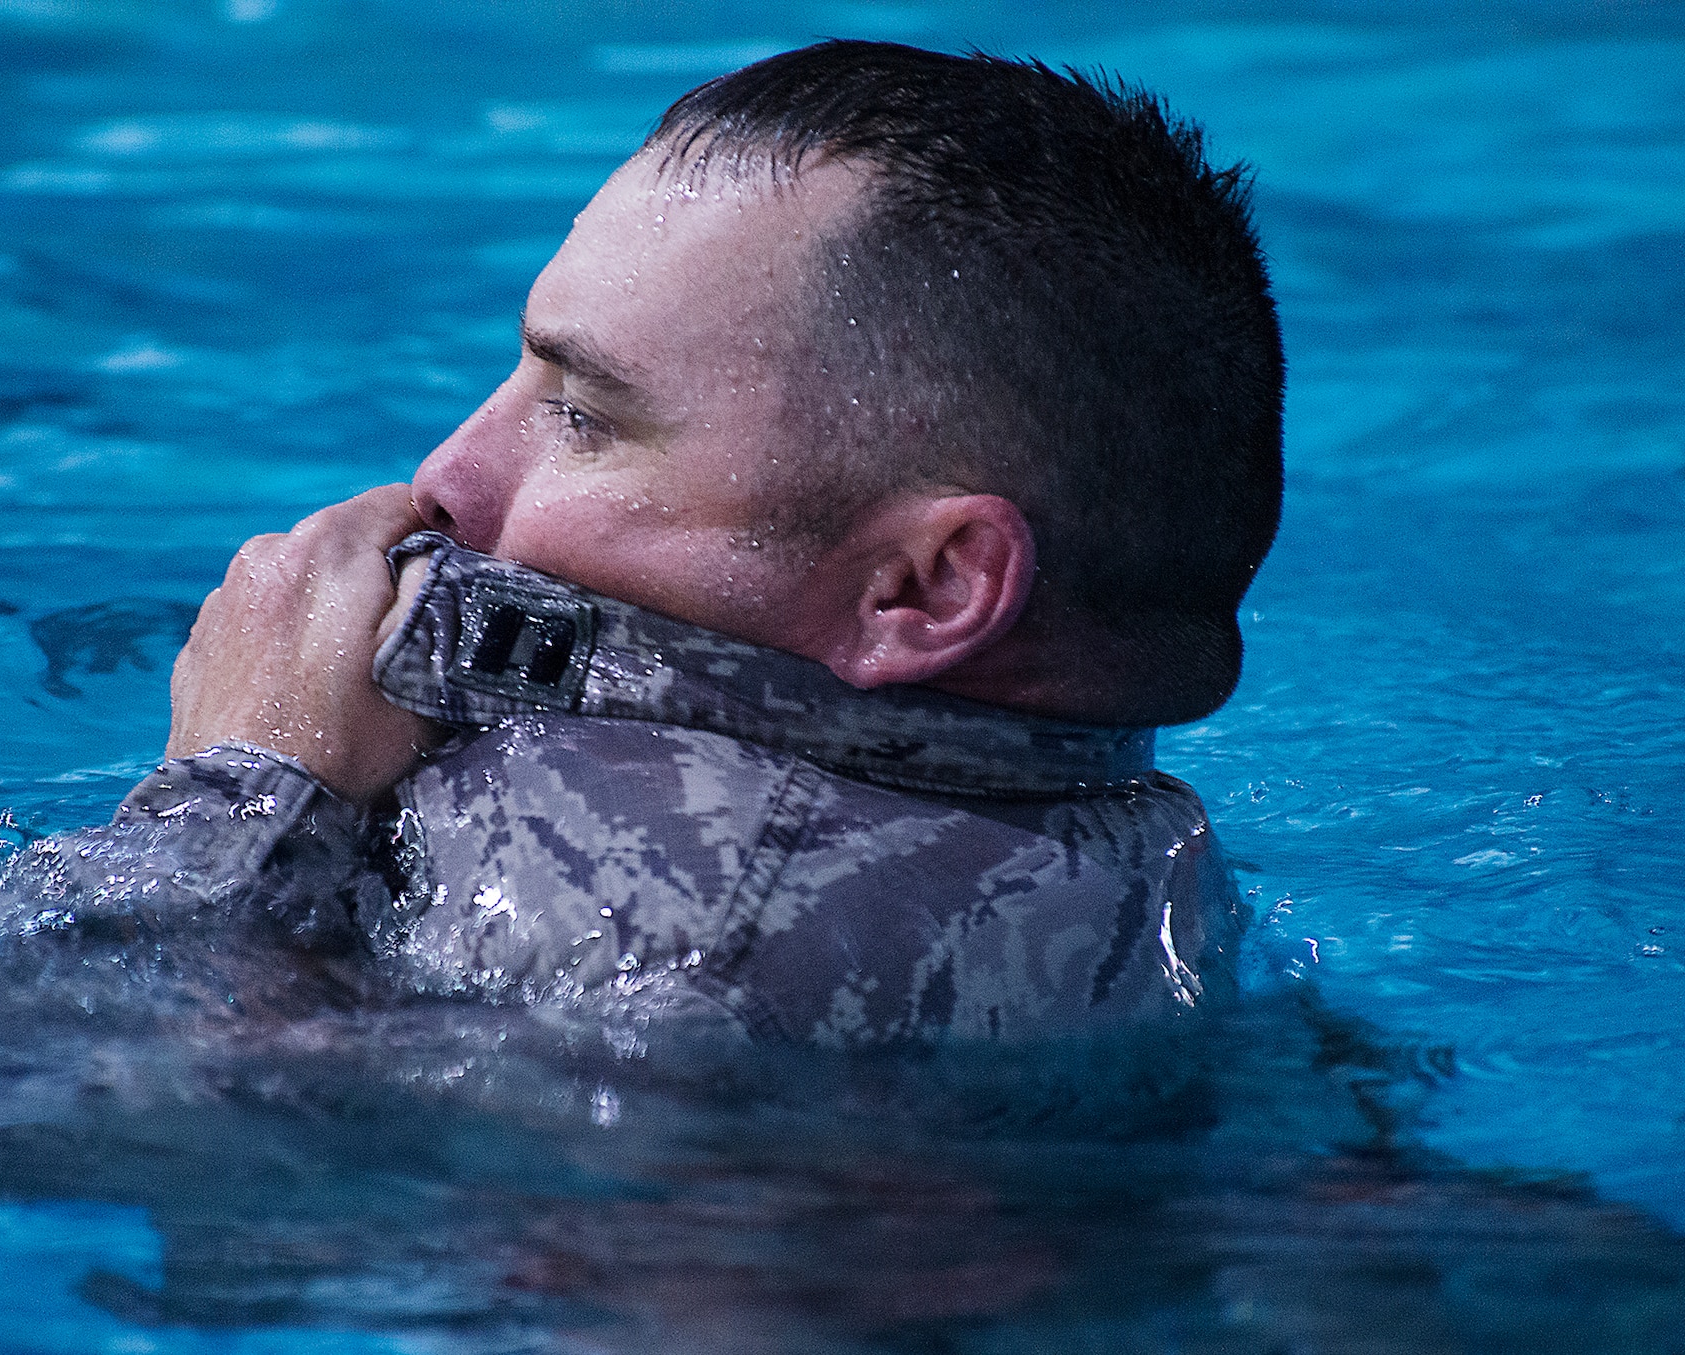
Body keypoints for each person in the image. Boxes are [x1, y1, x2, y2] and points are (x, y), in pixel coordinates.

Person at [105, 39, 1283, 1044]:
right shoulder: (1143, 864)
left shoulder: (650, 934)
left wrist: (249, 782)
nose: (443, 479)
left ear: (924, 586)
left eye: (582, 414)